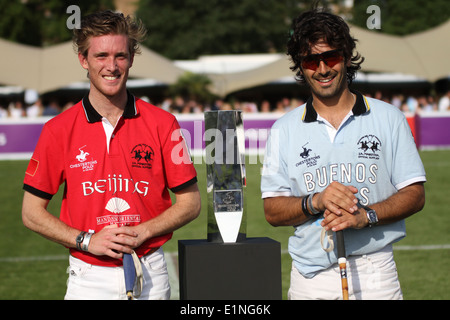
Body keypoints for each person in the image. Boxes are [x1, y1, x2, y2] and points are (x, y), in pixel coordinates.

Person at [21, 11, 201, 300]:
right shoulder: (58, 129)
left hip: (151, 272)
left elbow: (191, 203)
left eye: (120, 55)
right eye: (101, 55)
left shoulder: (163, 124)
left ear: (131, 58)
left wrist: (144, 231)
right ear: (84, 60)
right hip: (88, 276)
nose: (112, 66)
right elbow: (31, 213)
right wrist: (86, 240)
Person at [261, 8, 426, 300]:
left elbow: (414, 194)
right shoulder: (283, 129)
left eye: (332, 57)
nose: (322, 69)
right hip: (311, 276)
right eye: (311, 60)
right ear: (301, 67)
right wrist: (316, 201)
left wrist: (367, 216)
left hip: (375, 271)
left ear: (347, 57)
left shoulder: (389, 118)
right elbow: (272, 211)